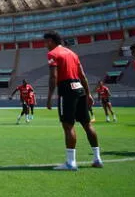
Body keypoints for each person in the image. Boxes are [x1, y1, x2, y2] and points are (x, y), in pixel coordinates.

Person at [44, 32, 103, 170]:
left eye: (46, 42)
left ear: (51, 41)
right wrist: (88, 94)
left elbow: (53, 77)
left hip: (66, 89)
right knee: (87, 124)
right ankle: (97, 159)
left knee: (68, 125)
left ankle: (71, 163)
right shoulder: (72, 54)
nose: (45, 45)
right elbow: (82, 75)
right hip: (79, 88)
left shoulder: (53, 54)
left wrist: (49, 97)